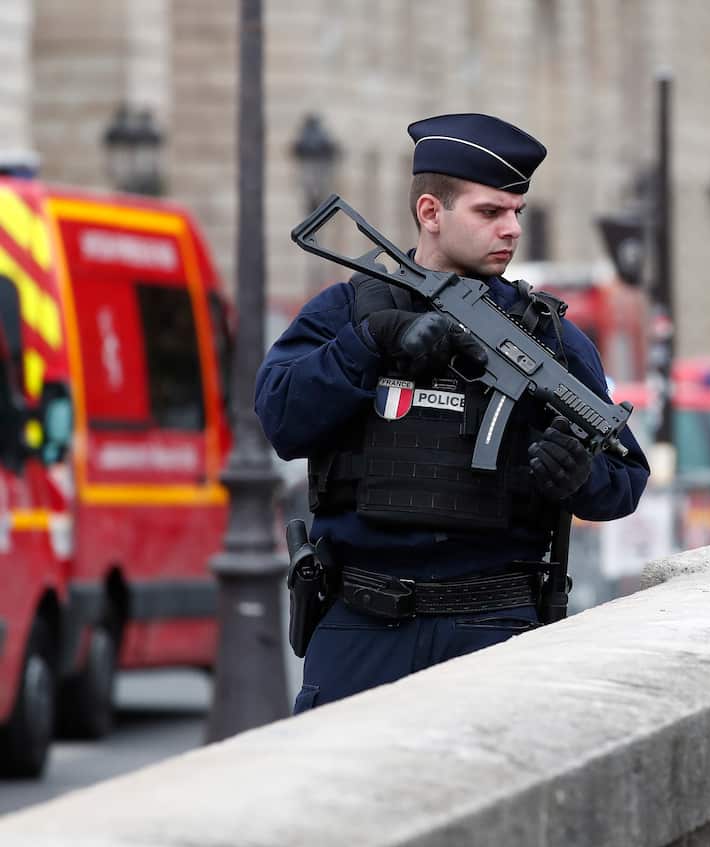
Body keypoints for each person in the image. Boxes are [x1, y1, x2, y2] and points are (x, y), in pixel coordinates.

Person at [255, 113, 649, 713]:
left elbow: (625, 479)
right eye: (490, 213)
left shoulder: (549, 339)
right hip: (363, 620)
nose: (511, 229)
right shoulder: (347, 311)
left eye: (517, 211)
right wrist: (370, 344)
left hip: (494, 627)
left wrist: (577, 476)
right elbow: (281, 420)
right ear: (430, 213)